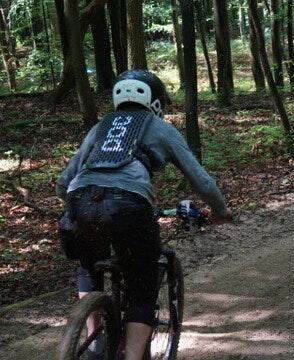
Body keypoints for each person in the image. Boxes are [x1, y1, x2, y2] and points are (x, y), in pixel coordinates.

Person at [56, 70, 232, 360]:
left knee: (89, 266)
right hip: (129, 205)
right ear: (155, 101)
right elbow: (201, 181)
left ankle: (93, 344)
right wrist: (221, 211)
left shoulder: (101, 127)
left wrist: (79, 208)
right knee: (142, 284)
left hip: (80, 200)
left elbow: (64, 182)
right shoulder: (160, 128)